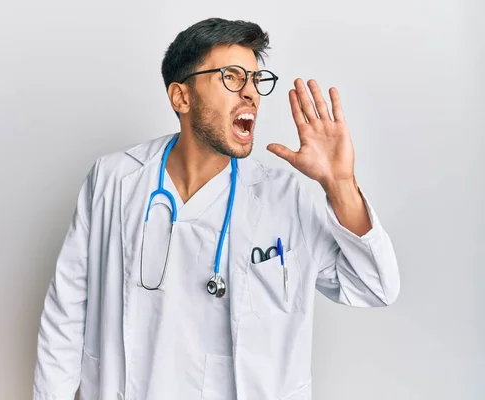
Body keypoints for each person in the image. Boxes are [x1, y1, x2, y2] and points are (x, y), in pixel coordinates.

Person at [32, 17, 400, 400]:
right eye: (232, 77)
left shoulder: (285, 197)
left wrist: (340, 185)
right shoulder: (113, 179)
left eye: (256, 81)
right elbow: (65, 315)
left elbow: (375, 286)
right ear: (181, 98)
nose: (251, 94)